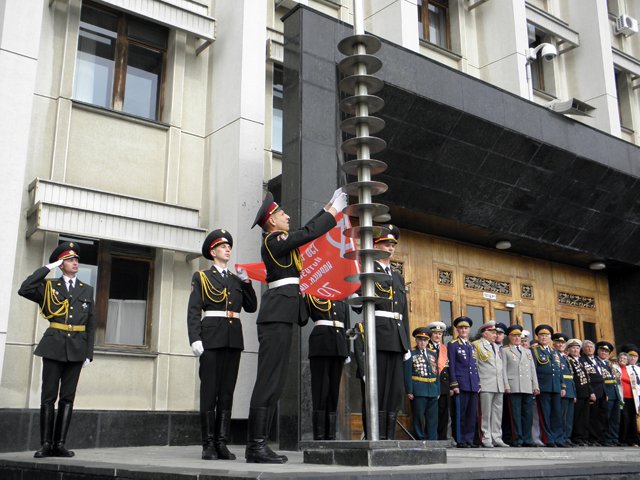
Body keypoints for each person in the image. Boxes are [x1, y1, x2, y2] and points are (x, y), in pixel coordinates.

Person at [245, 189, 347, 463]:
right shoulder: (273, 240)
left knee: (275, 384)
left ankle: (259, 445)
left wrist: (326, 206)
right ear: (272, 222)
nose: (287, 216)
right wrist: (333, 212)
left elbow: (302, 233)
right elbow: (305, 234)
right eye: (281, 214)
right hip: (276, 315)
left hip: (283, 315)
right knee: (268, 382)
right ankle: (255, 446)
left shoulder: (279, 240)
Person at [18, 242, 95, 458]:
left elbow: (91, 323)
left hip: (77, 348)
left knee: (68, 398)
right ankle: (45, 444)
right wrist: (48, 267)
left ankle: (60, 444)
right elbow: (24, 289)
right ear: (61, 264)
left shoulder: (86, 289)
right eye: (70, 260)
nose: (75, 262)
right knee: (48, 397)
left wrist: (89, 353)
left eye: (76, 259)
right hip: (54, 346)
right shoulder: (49, 286)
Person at [187, 229, 257, 460]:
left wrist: (247, 282)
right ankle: (208, 444)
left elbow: (251, 306)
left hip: (233, 339)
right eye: (223, 246)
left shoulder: (236, 280)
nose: (228, 249)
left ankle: (221, 443)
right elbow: (194, 310)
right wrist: (195, 338)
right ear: (213, 251)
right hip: (211, 338)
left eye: (229, 247)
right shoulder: (203, 277)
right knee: (210, 393)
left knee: (227, 393)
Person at [368, 225, 411, 440]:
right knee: (379, 388)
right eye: (386, 243)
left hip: (397, 338)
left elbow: (404, 312)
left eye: (393, 244)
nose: (390, 248)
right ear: (375, 245)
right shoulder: (368, 271)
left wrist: (407, 344)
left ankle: (389, 435)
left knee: (394, 390)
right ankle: (376, 435)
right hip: (379, 335)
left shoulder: (397, 277)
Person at [306, 295, 350, 440]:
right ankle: (319, 436)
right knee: (320, 391)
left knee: (333, 392)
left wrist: (347, 349)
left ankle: (330, 435)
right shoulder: (314, 296)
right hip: (321, 343)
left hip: (339, 345)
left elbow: (347, 327)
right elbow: (303, 317)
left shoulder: (341, 299)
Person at [472, 321, 509, 448]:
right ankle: (486, 437)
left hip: (498, 384)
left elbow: (501, 367)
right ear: (485, 333)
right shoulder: (477, 345)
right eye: (493, 333)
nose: (495, 335)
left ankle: (497, 437)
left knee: (497, 413)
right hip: (485, 383)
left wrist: (504, 384)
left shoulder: (498, 347)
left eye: (496, 333)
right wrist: (477, 383)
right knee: (485, 413)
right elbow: (475, 366)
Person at [502, 324, 539, 447]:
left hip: (527, 386)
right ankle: (517, 438)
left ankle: (527, 438)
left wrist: (535, 386)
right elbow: (503, 369)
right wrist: (506, 385)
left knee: (527, 414)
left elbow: (532, 369)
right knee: (515, 415)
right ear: (509, 337)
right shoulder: (505, 350)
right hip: (514, 386)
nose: (517, 338)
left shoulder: (527, 351)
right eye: (514, 336)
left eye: (519, 336)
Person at [531, 324, 566, 447]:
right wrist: (535, 386)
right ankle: (549, 439)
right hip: (543, 387)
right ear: (538, 337)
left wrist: (562, 386)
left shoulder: (554, 352)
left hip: (555, 387)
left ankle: (559, 438)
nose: (544, 337)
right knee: (545, 414)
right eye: (541, 335)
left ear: (550, 337)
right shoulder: (534, 350)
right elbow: (533, 369)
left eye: (546, 335)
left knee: (556, 414)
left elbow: (558, 370)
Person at [448, 316, 481, 448]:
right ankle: (460, 439)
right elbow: (452, 365)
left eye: (466, 328)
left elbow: (475, 365)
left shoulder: (471, 346)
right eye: (461, 328)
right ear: (457, 329)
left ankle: (469, 439)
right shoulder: (453, 344)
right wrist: (454, 383)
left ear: (469, 329)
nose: (463, 330)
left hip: (472, 384)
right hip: (461, 384)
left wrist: (477, 383)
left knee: (471, 415)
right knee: (460, 414)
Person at [404, 327, 439, 440]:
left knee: (432, 418)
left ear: (428, 341)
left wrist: (437, 390)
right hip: (418, 390)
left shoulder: (433, 354)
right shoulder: (411, 354)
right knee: (418, 417)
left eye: (425, 340)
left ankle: (432, 439)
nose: (422, 342)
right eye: (420, 339)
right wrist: (409, 390)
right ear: (416, 340)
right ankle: (420, 438)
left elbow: (436, 373)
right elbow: (407, 373)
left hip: (432, 390)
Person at [566, 338, 593, 446]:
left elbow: (587, 378)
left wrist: (591, 392)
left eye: (577, 348)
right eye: (573, 348)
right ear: (568, 350)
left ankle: (584, 437)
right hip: (577, 392)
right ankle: (577, 437)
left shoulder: (581, 361)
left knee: (585, 417)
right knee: (577, 417)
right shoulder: (568, 360)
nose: (575, 350)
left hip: (585, 392)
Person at [426, 321, 450, 440]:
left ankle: (442, 438)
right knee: (432, 414)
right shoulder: (426, 347)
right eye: (435, 333)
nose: (437, 336)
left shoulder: (445, 349)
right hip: (431, 384)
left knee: (443, 414)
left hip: (444, 385)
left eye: (439, 334)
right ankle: (432, 438)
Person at [580, 339, 607, 446]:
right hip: (592, 391)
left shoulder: (597, 360)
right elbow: (586, 378)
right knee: (592, 416)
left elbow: (602, 377)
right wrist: (591, 391)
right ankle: (592, 438)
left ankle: (600, 438)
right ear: (583, 349)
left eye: (591, 347)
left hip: (602, 392)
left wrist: (606, 393)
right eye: (587, 347)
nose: (589, 349)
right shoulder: (582, 360)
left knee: (601, 416)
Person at [596, 341, 621, 446]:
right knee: (606, 417)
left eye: (606, 352)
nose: (604, 353)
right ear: (598, 351)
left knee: (615, 418)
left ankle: (613, 437)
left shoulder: (610, 364)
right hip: (606, 392)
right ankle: (605, 438)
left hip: (615, 393)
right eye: (602, 350)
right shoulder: (596, 363)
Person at [552, 333, 575, 446]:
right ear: (554, 343)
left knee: (569, 416)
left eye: (562, 343)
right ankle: (560, 438)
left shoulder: (565, 357)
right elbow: (558, 373)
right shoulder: (554, 355)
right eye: (558, 342)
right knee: (561, 415)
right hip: (563, 388)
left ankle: (567, 436)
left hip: (570, 389)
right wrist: (562, 386)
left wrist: (574, 392)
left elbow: (570, 375)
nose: (560, 344)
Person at [614, 349, 639, 447]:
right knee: (624, 418)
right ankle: (622, 439)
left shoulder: (630, 369)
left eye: (625, 358)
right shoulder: (615, 368)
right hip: (622, 397)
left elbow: (634, 383)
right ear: (618, 359)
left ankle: (633, 440)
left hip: (632, 397)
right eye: (621, 358)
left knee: (632, 418)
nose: (623, 360)